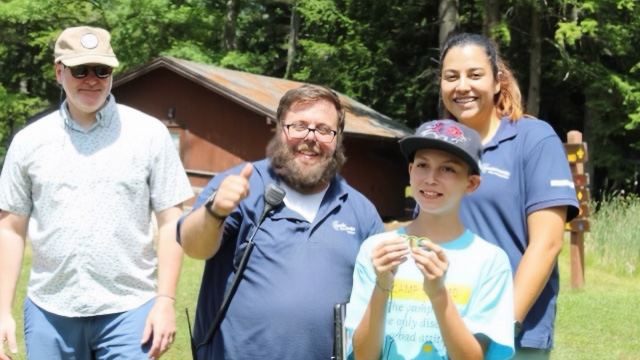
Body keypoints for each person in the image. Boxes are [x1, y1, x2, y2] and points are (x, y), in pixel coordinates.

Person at [0, 26, 193, 360]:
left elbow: (170, 222)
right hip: (51, 310)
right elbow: (10, 228)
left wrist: (165, 301)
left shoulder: (150, 134)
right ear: (59, 72)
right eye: (80, 70)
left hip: (130, 309)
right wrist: (2, 309)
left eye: (102, 70)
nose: (92, 79)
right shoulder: (29, 141)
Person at [178, 84, 385, 360]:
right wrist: (215, 211)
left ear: (338, 139)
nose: (310, 138)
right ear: (279, 129)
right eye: (298, 126)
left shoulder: (360, 211)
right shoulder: (244, 182)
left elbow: (379, 296)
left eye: (324, 130)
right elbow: (195, 248)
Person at [437, 33, 579, 358]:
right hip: (444, 326)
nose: (462, 86)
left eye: (475, 75)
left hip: (514, 336)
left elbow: (547, 244)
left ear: (497, 81)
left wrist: (500, 327)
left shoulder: (533, 138)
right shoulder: (438, 146)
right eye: (451, 76)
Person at [346, 119, 515, 360]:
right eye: (423, 165)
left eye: (448, 169)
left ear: (472, 183)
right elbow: (363, 356)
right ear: (410, 171)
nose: (431, 178)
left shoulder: (490, 261)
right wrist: (382, 285)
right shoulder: (377, 251)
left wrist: (438, 293)